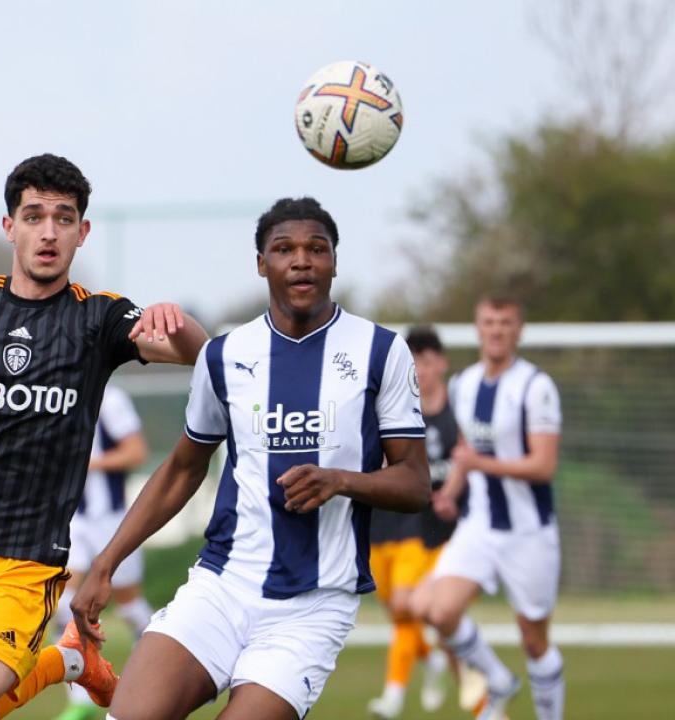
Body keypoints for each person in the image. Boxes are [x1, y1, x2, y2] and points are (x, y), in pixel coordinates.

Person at [0, 153, 208, 720]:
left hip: (23, 564)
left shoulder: (99, 319)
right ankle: (69, 662)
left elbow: (198, 356)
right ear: (9, 227)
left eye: (64, 217)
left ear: (82, 232)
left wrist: (181, 321)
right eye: (33, 216)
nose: (48, 231)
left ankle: (64, 659)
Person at [71, 197, 432, 720]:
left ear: (335, 260)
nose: (301, 260)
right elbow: (181, 470)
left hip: (314, 605)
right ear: (262, 264)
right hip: (222, 586)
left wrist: (340, 481)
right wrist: (106, 563)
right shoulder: (225, 355)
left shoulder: (380, 351)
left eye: (317, 248)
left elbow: (416, 484)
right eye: (284, 249)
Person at [414, 296, 564, 720]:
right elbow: (466, 452)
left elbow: (544, 465)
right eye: (489, 322)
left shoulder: (536, 387)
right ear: (478, 329)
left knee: (534, 641)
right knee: (433, 608)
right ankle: (497, 680)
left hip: (528, 531)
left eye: (505, 323)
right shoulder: (465, 384)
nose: (496, 330)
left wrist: (479, 464)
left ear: (518, 330)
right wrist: (453, 492)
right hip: (479, 525)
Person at [366, 326, 457, 718]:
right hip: (382, 525)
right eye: (414, 360)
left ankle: (393, 696)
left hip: (427, 532)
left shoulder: (460, 412)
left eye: (428, 360)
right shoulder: (392, 406)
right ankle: (431, 659)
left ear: (442, 364)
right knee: (398, 609)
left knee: (408, 605)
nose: (421, 369)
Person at [53, 384, 154, 720]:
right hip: (71, 520)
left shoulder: (110, 399)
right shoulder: (56, 394)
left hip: (109, 521)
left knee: (129, 605)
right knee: (61, 603)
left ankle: (157, 675)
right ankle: (80, 699)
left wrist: (85, 463)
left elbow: (136, 452)